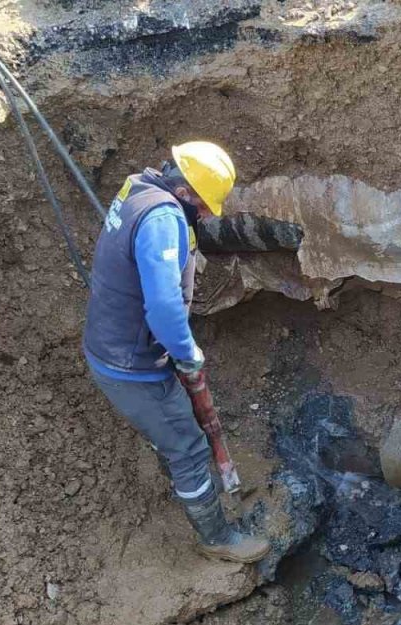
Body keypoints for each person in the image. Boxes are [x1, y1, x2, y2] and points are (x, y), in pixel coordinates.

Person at [82, 141, 270, 564]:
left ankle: (190, 481)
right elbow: (164, 306)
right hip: (133, 366)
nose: (204, 215)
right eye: (203, 205)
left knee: (178, 435)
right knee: (188, 447)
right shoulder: (164, 218)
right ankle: (217, 537)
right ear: (185, 189)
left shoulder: (139, 188)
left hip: (113, 345)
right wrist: (186, 352)